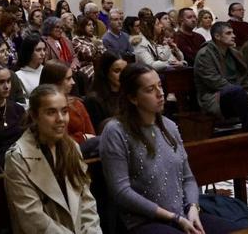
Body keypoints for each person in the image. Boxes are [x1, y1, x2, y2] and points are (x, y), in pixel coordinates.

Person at [100, 64, 238, 233]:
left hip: (181, 214)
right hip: (143, 222)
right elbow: (121, 192)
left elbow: (187, 178)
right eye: (150, 89)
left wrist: (193, 208)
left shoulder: (169, 126)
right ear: (133, 98)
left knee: (238, 230)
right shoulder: (116, 131)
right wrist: (172, 217)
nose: (160, 93)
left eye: (160, 86)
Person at [5, 85, 102, 233]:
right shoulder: (18, 157)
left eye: (64, 111)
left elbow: (87, 203)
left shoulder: (72, 148)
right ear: (34, 115)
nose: (61, 119)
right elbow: (32, 219)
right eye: (51, 112)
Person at [193, 22, 248, 129]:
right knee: (237, 92)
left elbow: (243, 77)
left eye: (233, 33)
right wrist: (247, 96)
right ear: (217, 36)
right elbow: (215, 82)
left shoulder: (234, 53)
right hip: (214, 96)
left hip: (237, 92)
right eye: (228, 33)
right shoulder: (205, 54)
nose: (233, 36)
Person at [39, 60, 98, 156]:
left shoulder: (77, 104)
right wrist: (82, 137)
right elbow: (53, 141)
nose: (73, 82)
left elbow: (92, 135)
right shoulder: (41, 108)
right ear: (55, 82)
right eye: (68, 79)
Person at [85, 51, 127, 133]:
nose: (123, 75)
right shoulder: (93, 100)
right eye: (117, 71)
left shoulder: (129, 92)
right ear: (105, 73)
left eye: (125, 70)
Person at [72, 15, 104, 84]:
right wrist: (95, 45)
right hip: (84, 68)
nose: (92, 27)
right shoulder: (77, 39)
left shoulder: (95, 38)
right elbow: (88, 54)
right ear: (82, 26)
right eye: (89, 25)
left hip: (97, 66)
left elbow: (104, 54)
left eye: (93, 25)